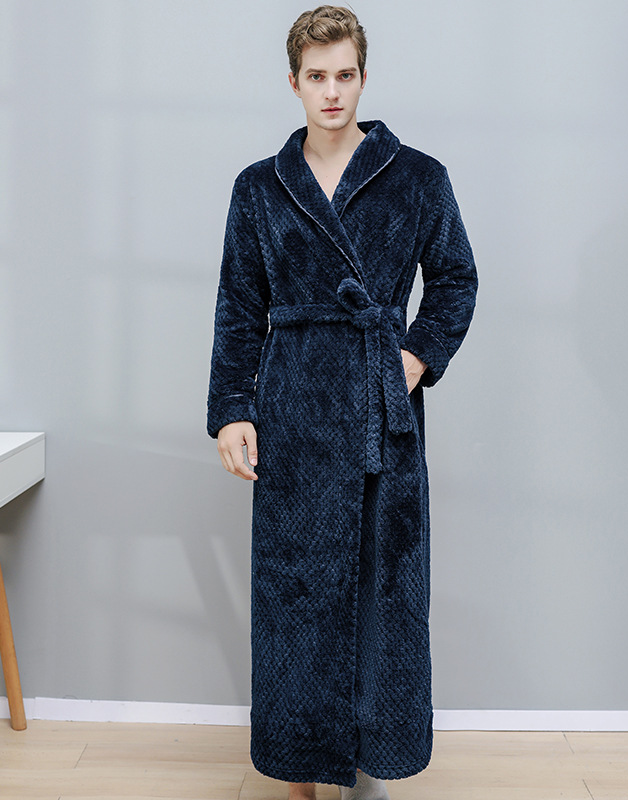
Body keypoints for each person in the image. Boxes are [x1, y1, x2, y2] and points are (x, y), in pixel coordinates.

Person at [206, 6, 478, 800]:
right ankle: (299, 765)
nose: (332, 92)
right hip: (292, 408)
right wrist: (232, 409)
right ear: (293, 82)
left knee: (383, 587)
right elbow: (238, 307)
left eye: (345, 75)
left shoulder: (418, 177)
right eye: (316, 77)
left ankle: (370, 759)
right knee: (295, 591)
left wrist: (415, 357)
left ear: (364, 78)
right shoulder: (259, 188)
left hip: (378, 410)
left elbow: (455, 279)